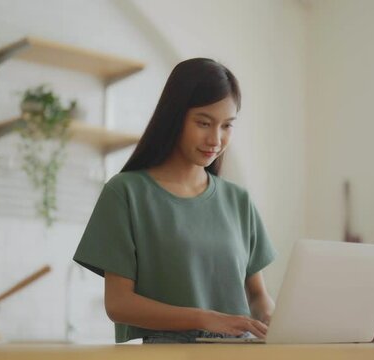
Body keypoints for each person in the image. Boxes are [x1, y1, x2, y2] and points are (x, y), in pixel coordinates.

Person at [73, 58, 277, 344]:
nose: (215, 139)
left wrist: (272, 319)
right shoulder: (126, 193)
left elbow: (257, 296)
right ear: (174, 117)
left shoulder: (238, 200)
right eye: (204, 123)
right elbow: (118, 304)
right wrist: (204, 318)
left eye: (227, 126)